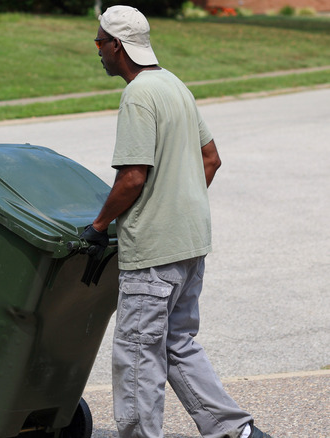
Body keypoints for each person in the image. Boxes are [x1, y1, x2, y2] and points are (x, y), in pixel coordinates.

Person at [79, 5, 273, 438]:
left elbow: (132, 177)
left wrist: (97, 226)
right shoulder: (175, 85)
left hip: (153, 254)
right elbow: (211, 158)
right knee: (176, 344)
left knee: (136, 355)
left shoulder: (138, 95)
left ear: (117, 46)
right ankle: (237, 431)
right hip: (189, 244)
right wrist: (177, 205)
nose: (97, 52)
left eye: (99, 43)